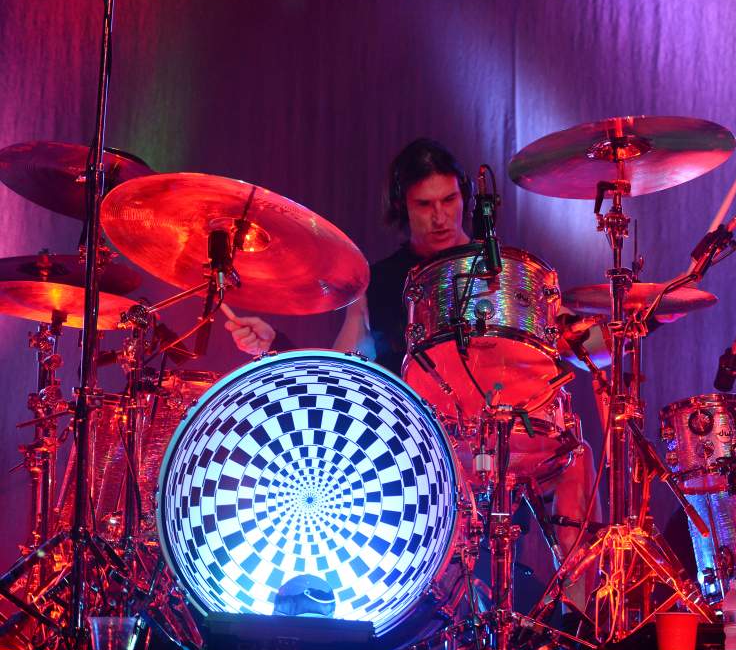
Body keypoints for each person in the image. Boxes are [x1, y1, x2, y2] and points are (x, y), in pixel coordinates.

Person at [225, 138, 596, 607]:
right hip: (421, 445)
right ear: (402, 206)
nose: (440, 217)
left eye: (449, 201)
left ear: (466, 198)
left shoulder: (502, 271)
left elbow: (565, 341)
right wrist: (276, 345)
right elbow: (347, 370)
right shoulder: (377, 282)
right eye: (424, 205)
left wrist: (635, 318)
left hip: (511, 436)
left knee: (575, 456)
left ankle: (583, 627)